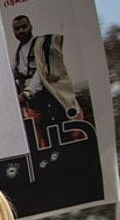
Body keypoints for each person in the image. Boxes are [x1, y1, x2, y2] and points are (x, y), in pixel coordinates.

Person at [12, 14, 78, 145]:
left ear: (31, 27)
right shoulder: (18, 52)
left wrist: (27, 93)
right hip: (33, 102)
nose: (21, 31)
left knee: (57, 134)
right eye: (17, 28)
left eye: (24, 27)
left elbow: (42, 72)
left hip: (48, 97)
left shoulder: (41, 45)